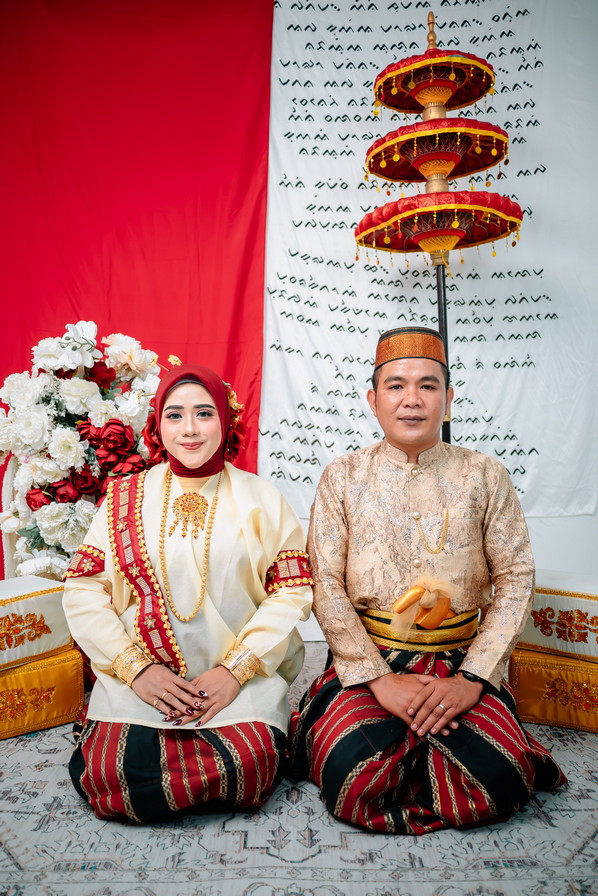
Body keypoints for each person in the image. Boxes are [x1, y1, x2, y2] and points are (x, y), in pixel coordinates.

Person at [291, 326, 565, 834]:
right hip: (371, 660)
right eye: (395, 386)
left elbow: (515, 578)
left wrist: (472, 680)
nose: (411, 399)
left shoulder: (486, 475)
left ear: (449, 398)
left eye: (427, 385)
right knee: (355, 775)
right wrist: (380, 680)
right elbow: (324, 581)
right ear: (373, 400)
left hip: (460, 659)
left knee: (497, 777)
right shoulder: (343, 475)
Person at [63, 364, 313, 823]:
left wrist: (235, 671)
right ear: (158, 424)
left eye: (204, 413)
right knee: (109, 773)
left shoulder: (262, 498)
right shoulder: (124, 497)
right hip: (143, 673)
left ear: (226, 420)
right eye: (175, 415)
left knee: (248, 763)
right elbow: (85, 588)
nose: (190, 429)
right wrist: (135, 669)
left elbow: (291, 593)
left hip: (239, 675)